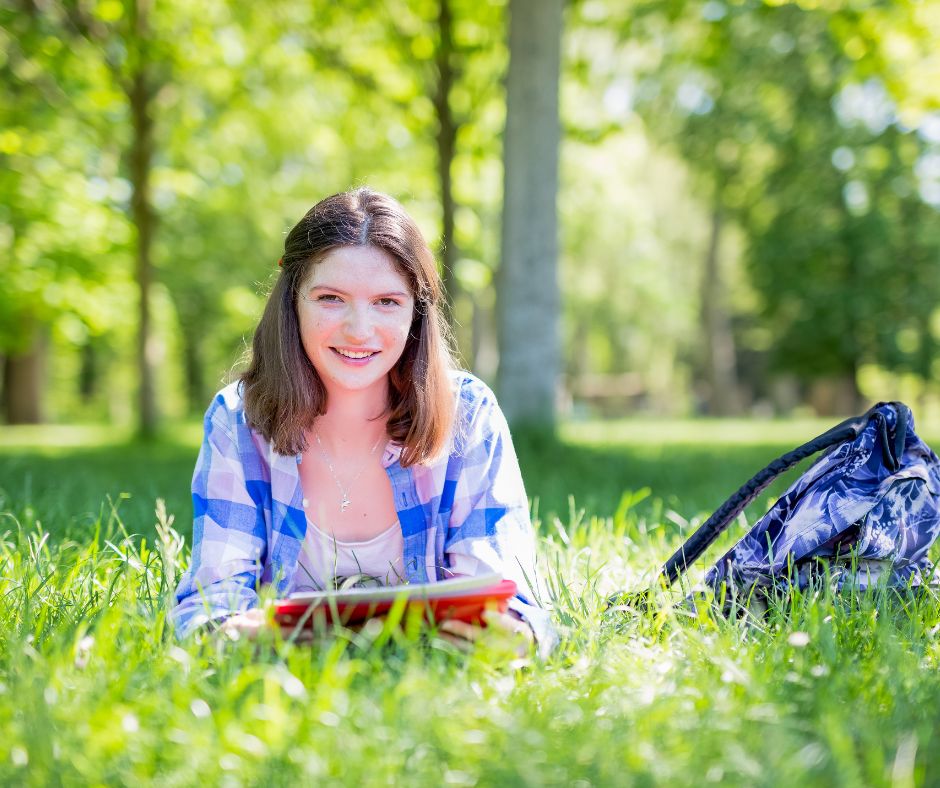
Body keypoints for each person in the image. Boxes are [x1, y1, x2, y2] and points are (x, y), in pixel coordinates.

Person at [170, 188, 557, 657]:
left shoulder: (469, 415)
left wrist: (516, 635)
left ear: (417, 310)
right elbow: (213, 599)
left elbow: (507, 592)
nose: (359, 329)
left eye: (387, 302)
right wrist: (234, 636)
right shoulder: (237, 419)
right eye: (331, 298)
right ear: (293, 301)